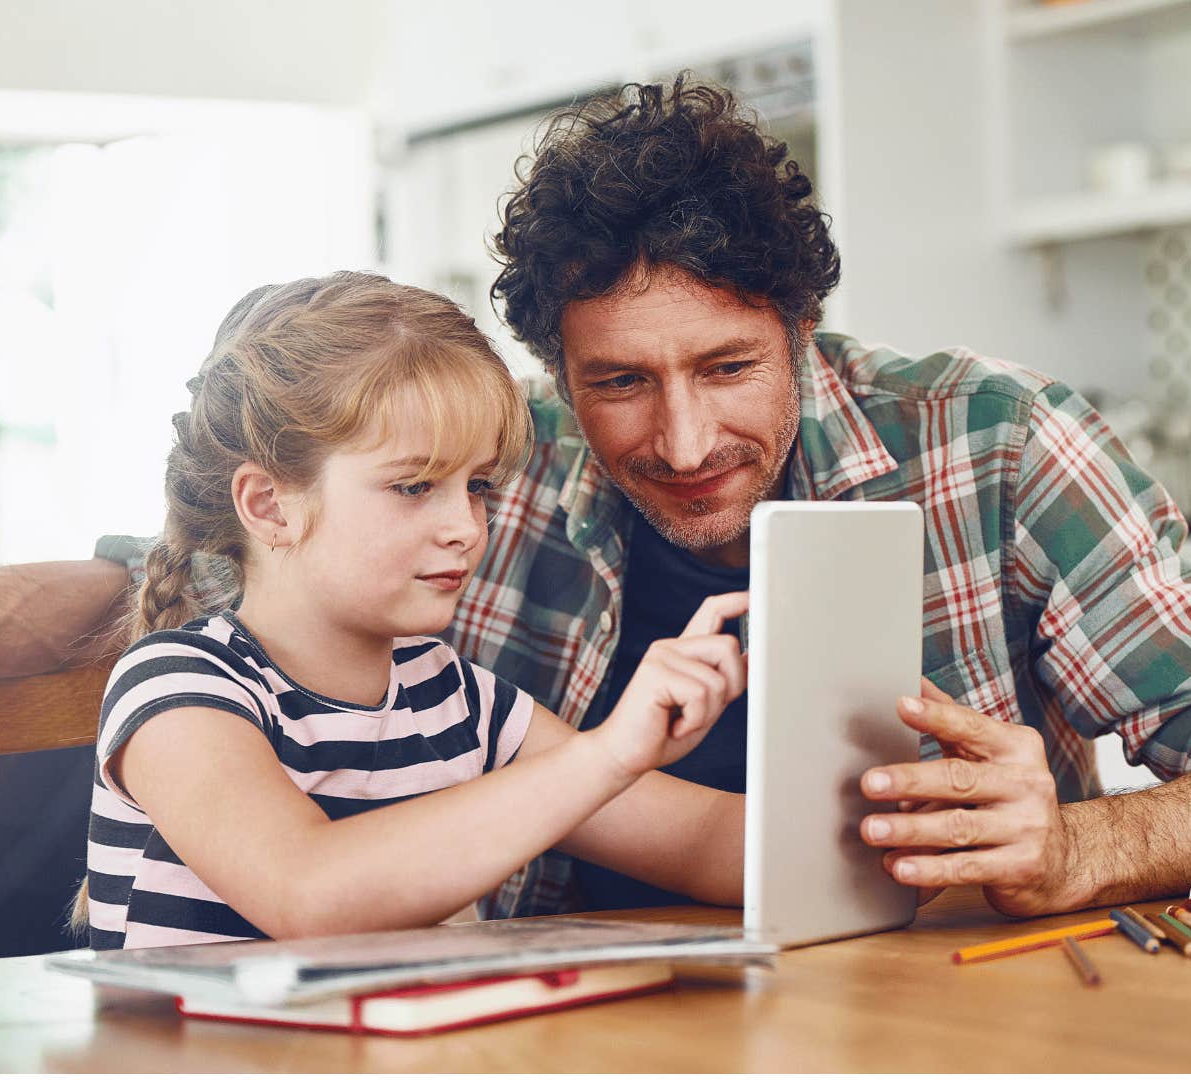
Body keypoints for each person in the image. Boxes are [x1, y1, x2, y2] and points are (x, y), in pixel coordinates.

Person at [0, 77, 1191, 924]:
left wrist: (1063, 841)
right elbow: (142, 592)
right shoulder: (478, 482)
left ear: (803, 330)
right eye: (618, 382)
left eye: (730, 367)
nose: (682, 437)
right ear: (558, 366)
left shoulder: (992, 444)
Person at [77, 272, 745, 945]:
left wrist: (852, 825)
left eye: (478, 486)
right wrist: (606, 756)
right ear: (268, 505)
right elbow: (308, 892)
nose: (466, 526)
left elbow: (703, 841)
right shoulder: (178, 686)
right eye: (414, 485)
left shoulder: (459, 700)